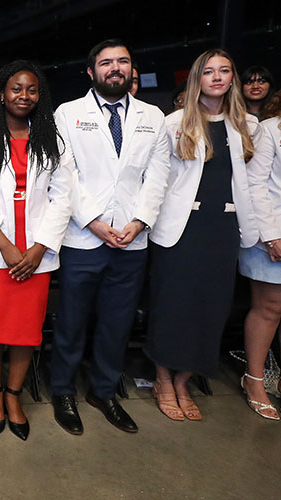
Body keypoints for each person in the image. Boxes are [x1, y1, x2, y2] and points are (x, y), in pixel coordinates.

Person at [50, 39, 170, 435]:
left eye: (122, 61)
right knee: (72, 320)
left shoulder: (153, 116)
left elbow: (157, 177)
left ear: (131, 68)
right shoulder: (68, 114)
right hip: (84, 237)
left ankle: (103, 391)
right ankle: (63, 391)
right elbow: (65, 175)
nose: (115, 68)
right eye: (106, 63)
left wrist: (140, 221)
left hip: (131, 240)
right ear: (91, 72)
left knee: (117, 323)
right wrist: (94, 221)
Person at [148, 49, 274, 421]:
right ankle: (162, 379)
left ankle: (184, 380)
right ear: (196, 79)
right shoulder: (174, 123)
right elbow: (158, 180)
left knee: (211, 307)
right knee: (172, 305)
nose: (217, 77)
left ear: (232, 78)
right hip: (180, 229)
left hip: (224, 229)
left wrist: (264, 231)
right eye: (208, 71)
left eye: (224, 71)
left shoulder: (248, 125)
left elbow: (254, 185)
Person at [0, 60, 73, 441]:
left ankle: (14, 396)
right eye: (16, 88)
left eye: (31, 89)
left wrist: (39, 248)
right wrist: (6, 246)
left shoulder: (54, 140)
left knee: (27, 331)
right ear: (1, 93)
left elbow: (63, 199)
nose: (23, 96)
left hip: (36, 257)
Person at [241, 89, 281, 420]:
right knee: (270, 308)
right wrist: (272, 235)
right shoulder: (270, 129)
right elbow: (255, 185)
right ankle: (254, 380)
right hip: (272, 234)